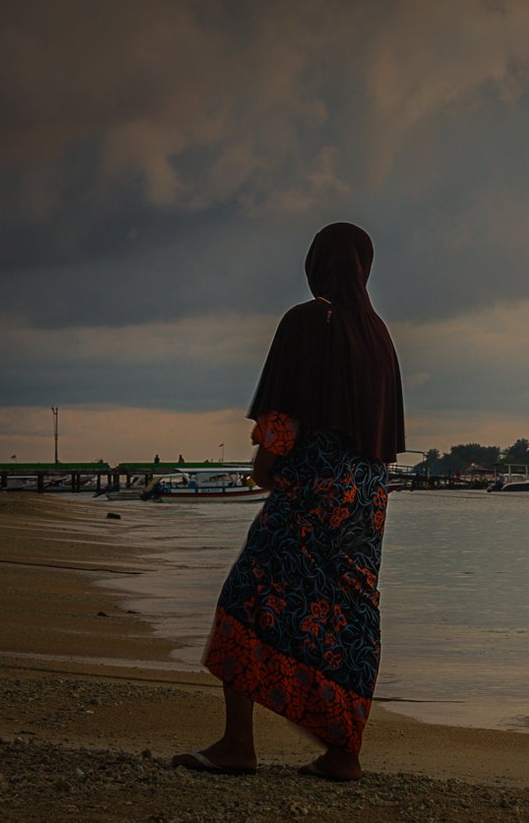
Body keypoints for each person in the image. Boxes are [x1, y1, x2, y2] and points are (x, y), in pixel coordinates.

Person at [172, 223, 405, 781]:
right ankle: (343, 753)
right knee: (350, 614)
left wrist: (264, 467)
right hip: (365, 501)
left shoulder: (306, 321)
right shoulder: (378, 336)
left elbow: (283, 416)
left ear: (316, 263)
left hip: (311, 491)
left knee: (249, 596)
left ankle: (237, 745)